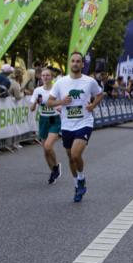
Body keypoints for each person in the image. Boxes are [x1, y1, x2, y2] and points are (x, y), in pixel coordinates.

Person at [47, 52, 104, 202]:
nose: (75, 64)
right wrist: (61, 102)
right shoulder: (61, 82)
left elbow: (100, 94)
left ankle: (81, 178)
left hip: (84, 122)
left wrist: (93, 105)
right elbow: (49, 102)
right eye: (73, 61)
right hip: (67, 124)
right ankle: (77, 184)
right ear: (69, 63)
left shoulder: (89, 81)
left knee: (75, 154)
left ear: (82, 64)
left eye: (78, 61)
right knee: (70, 158)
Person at [30, 67, 62, 184]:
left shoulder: (56, 89)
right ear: (41, 77)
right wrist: (35, 104)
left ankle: (55, 167)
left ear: (52, 77)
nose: (45, 77)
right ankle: (53, 170)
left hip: (54, 119)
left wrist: (59, 107)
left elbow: (62, 103)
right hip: (43, 120)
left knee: (48, 146)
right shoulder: (37, 90)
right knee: (45, 150)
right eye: (43, 75)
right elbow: (32, 108)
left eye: (47, 75)